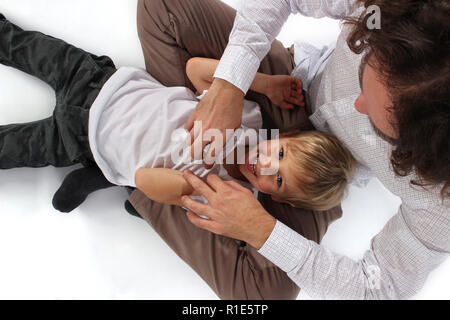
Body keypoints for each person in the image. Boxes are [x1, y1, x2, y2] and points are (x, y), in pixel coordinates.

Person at [131, 0, 450, 299]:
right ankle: (163, 139)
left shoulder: (441, 204)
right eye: (365, 76)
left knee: (259, 295)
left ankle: (149, 182)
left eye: (379, 120)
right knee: (165, 9)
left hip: (318, 176)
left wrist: (262, 230)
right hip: (289, 87)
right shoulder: (400, 9)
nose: (355, 104)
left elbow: (379, 288)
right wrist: (230, 85)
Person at [0, 17, 355, 216]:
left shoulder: (224, 194)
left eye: (277, 180)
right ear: (284, 138)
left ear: (277, 198)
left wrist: (193, 183)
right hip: (101, 83)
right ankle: (95, 181)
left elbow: (144, 178)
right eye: (279, 155)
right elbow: (195, 69)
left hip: (83, 142)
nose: (265, 165)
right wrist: (261, 84)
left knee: (12, 149)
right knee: (27, 47)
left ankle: (95, 178)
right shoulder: (249, 119)